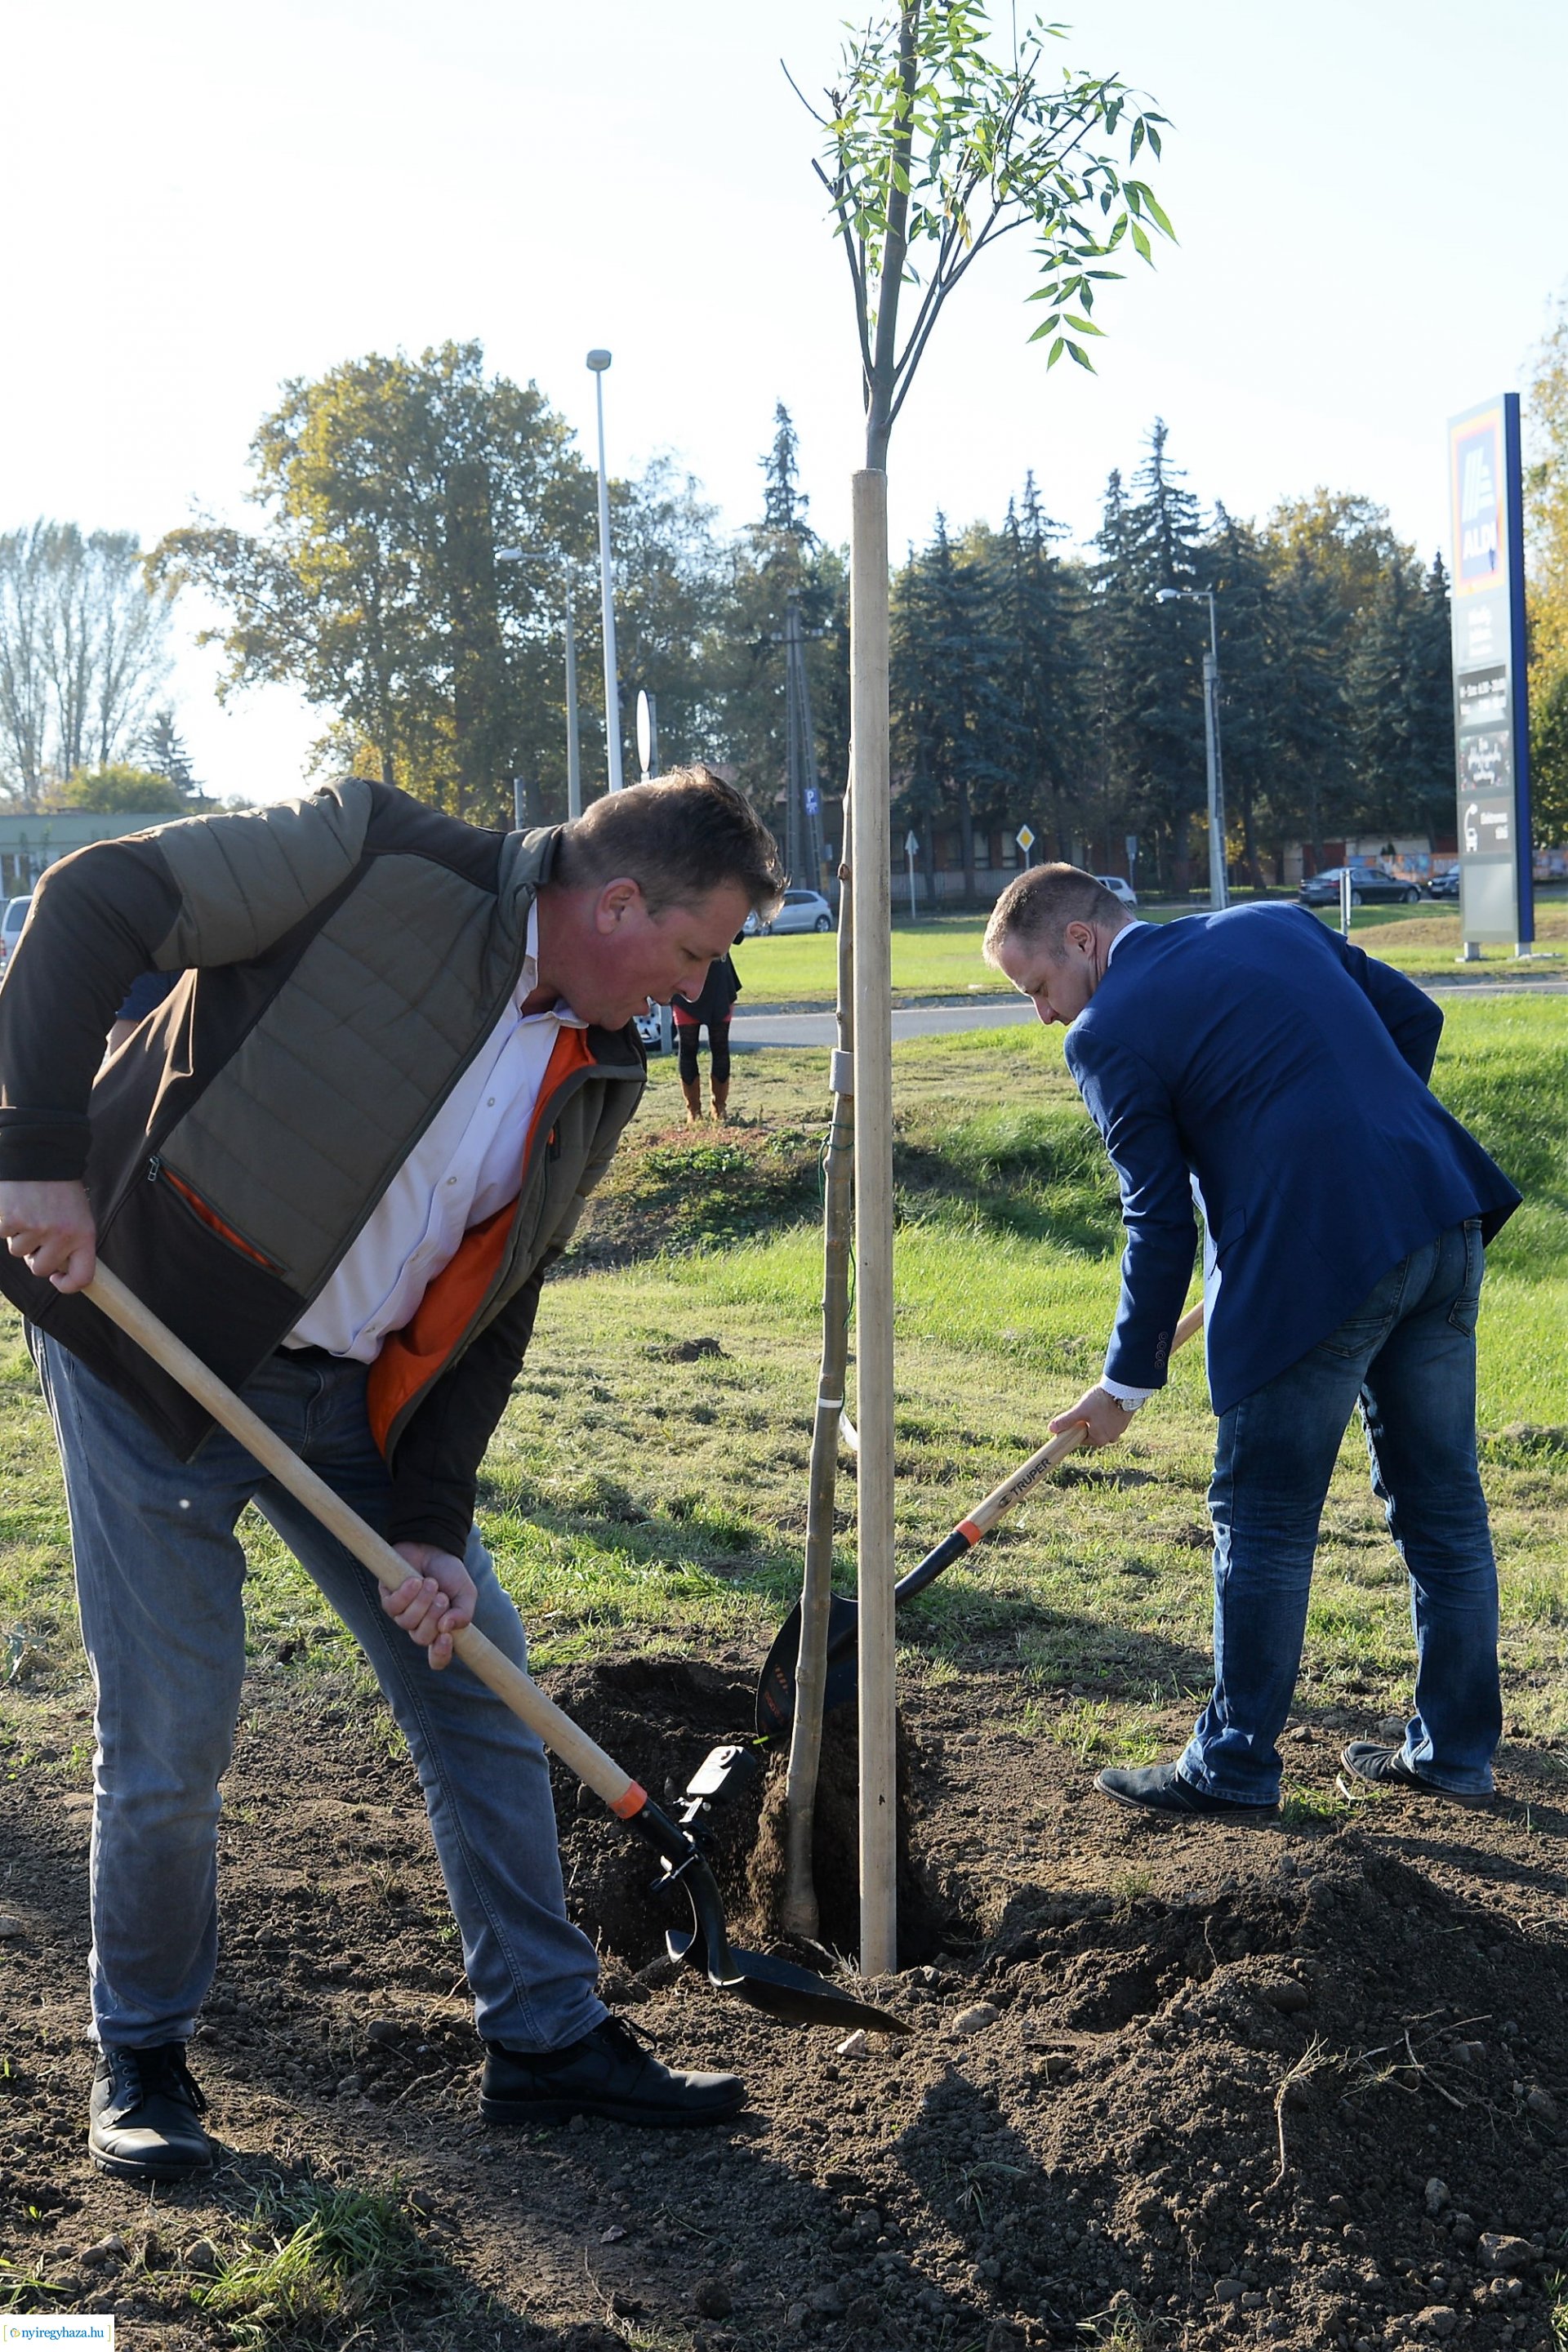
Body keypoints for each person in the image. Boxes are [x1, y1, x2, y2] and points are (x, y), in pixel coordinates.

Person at [0, 768, 782, 2180]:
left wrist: (426, 1527)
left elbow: (498, 1306)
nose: (692, 988)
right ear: (616, 902)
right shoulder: (370, 854)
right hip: (151, 1346)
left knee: (479, 1671)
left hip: (351, 1401)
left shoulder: (597, 1066)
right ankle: (146, 2059)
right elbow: (92, 899)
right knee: (173, 1734)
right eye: (691, 950)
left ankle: (545, 2040)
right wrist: (37, 1155)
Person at [984, 866, 1521, 1820]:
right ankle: (1456, 1753)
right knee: (1443, 1502)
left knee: (1263, 1513)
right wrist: (1358, 1161)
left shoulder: (1104, 1033)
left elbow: (1157, 1222)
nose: (1043, 1017)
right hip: (1440, 1219)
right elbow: (1416, 1023)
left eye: (1036, 989)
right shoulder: (1278, 924)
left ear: (1081, 940)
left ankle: (1231, 1765)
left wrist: (1124, 1384)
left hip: (1319, 1265)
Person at [671, 945, 742, 1122]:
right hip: (684, 977)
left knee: (720, 1045)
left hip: (718, 978)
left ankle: (720, 1108)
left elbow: (738, 936)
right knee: (687, 1046)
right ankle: (693, 1111)